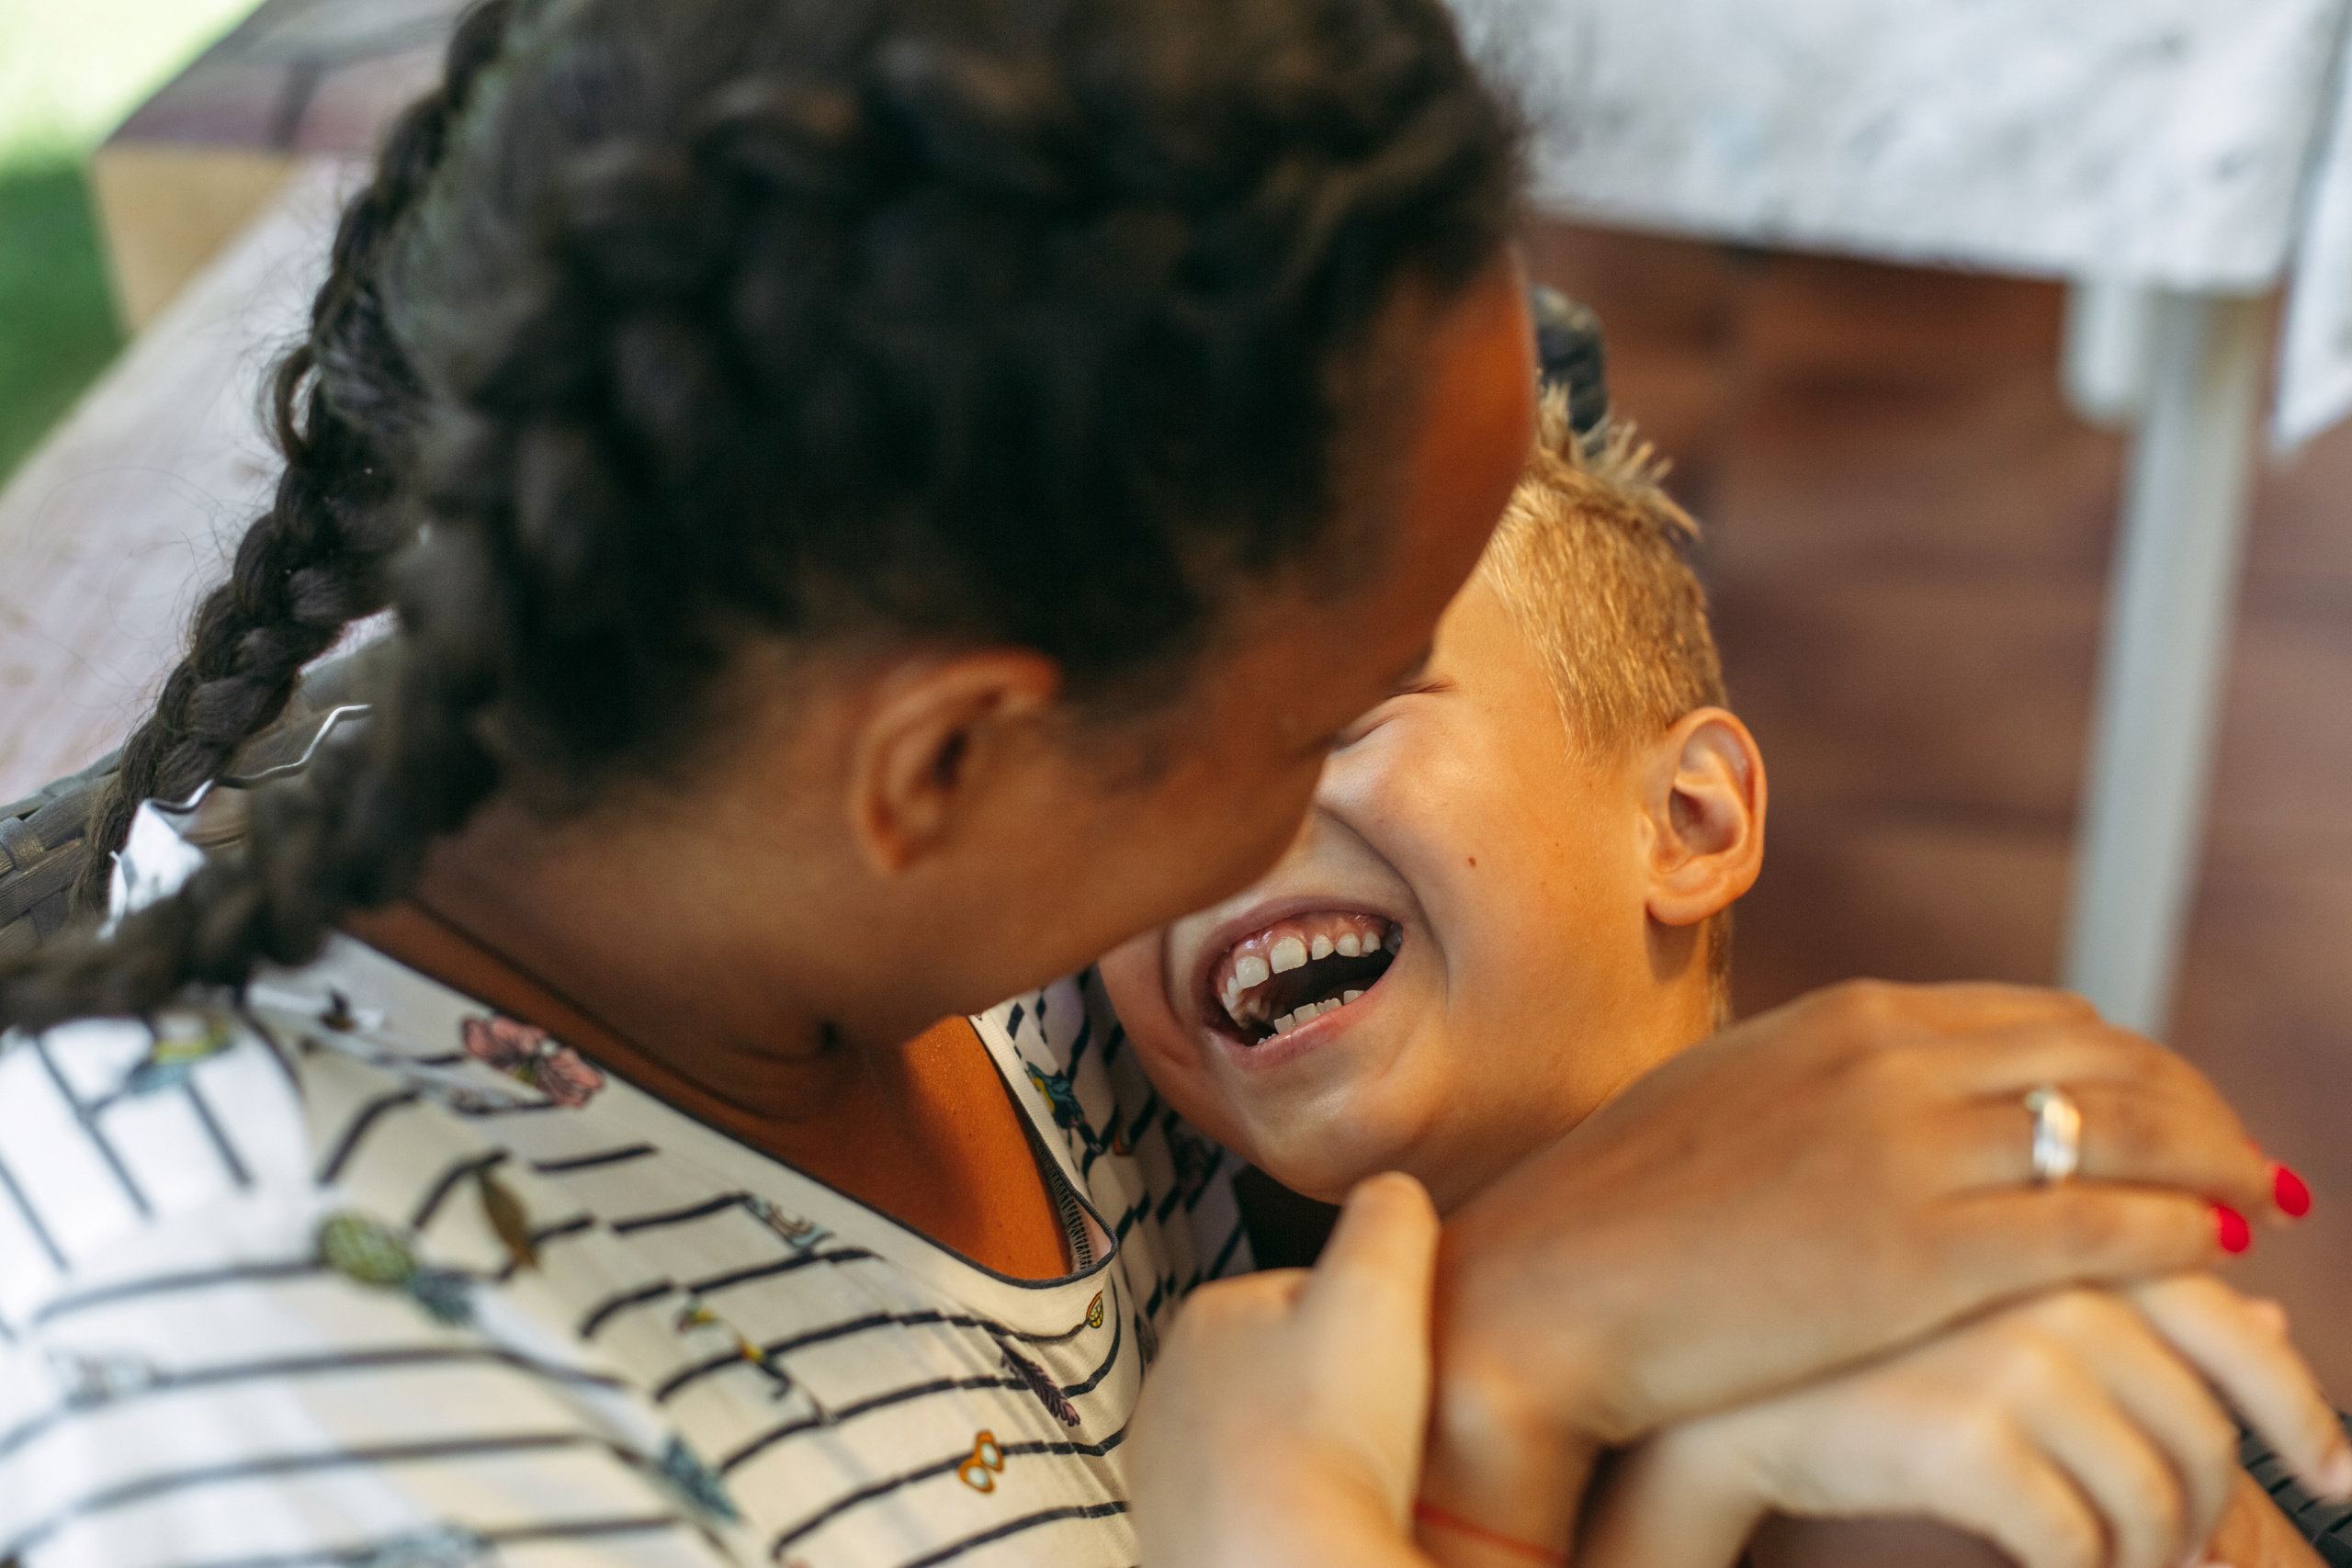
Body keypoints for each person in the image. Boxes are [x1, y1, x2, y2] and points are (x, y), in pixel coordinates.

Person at [0, 0, 2306, 1563]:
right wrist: (1500, 1392)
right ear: (950, 764)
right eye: (1317, 712)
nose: (1303, 802)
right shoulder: (279, 1428)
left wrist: (1679, 1292)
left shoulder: (714, 673)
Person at [1103, 396, 2349, 1568]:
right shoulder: (1228, 1389)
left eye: (1339, 713)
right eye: (1135, 797)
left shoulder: (1944, 1411)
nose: (1219, 829)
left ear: (1690, 821)